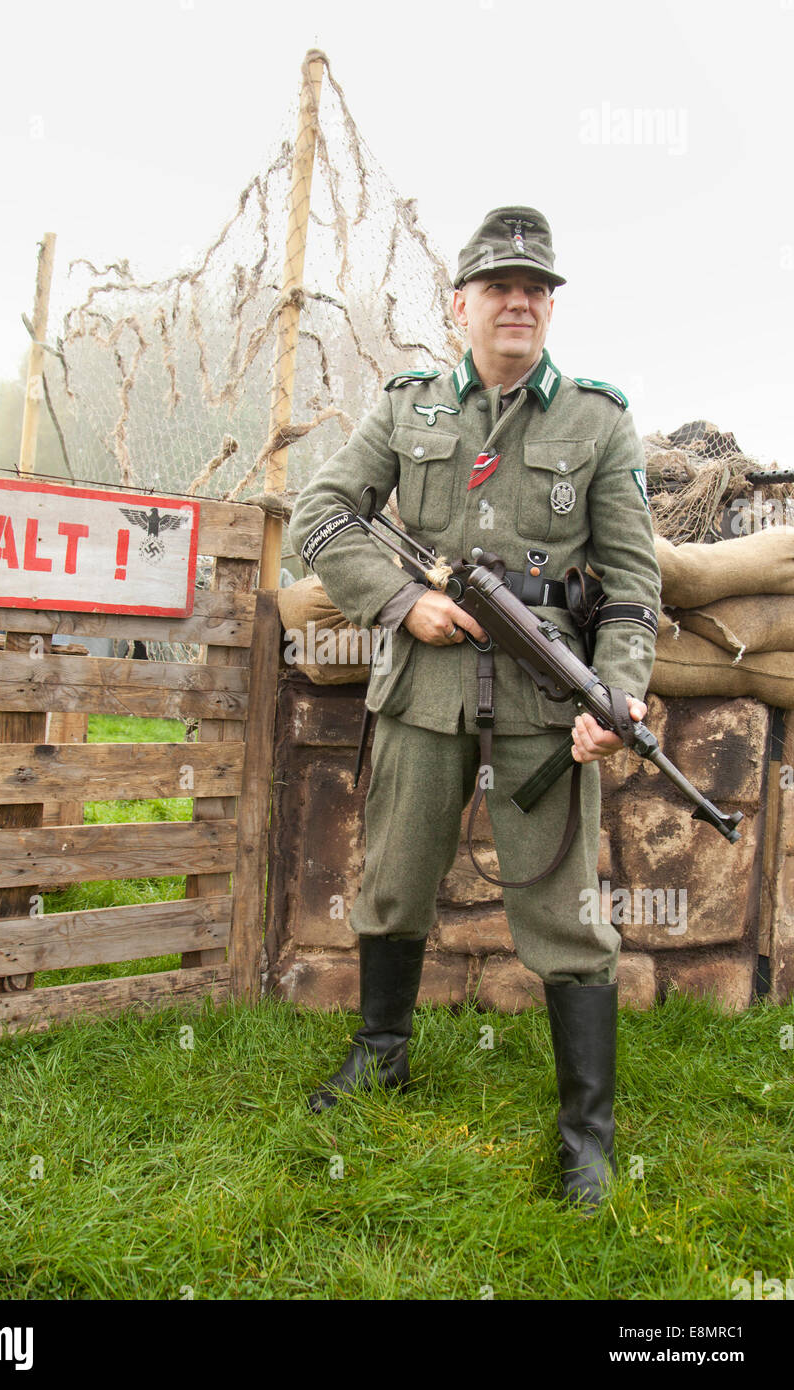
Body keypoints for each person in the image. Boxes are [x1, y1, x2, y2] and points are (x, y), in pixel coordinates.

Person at [288, 206, 661, 1210]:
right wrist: (405, 601)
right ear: (460, 304)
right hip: (420, 692)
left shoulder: (598, 420)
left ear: (549, 307)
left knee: (567, 917)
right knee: (395, 882)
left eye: (535, 288)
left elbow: (631, 586)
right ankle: (382, 1055)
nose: (519, 301)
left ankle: (587, 1132)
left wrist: (616, 693)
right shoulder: (408, 407)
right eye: (498, 286)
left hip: (547, 707)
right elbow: (321, 514)